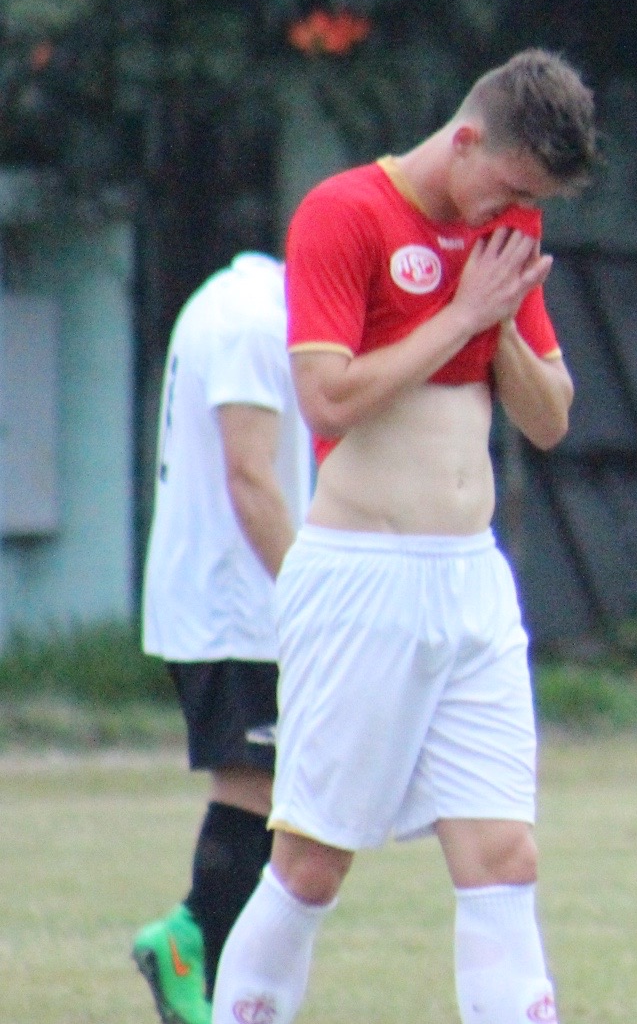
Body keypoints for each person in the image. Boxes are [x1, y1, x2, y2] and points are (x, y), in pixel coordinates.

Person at [209, 49, 594, 1024]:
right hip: (362, 577)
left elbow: (549, 418)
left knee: (504, 856)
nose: (504, 211)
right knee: (308, 862)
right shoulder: (345, 212)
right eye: (504, 185)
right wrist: (462, 307)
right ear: (465, 138)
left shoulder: (505, 225)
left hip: (470, 581)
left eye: (528, 200)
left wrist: (497, 320)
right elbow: (327, 393)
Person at [133, 251, 311, 1024]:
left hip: (222, 599)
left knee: (273, 794)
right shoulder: (254, 322)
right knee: (260, 791)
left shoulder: (229, 299)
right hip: (240, 603)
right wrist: (312, 592)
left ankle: (206, 960)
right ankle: (191, 944)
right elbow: (249, 475)